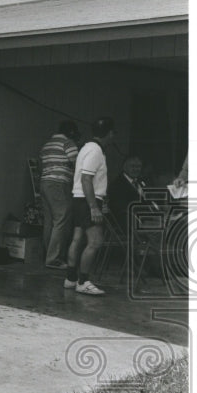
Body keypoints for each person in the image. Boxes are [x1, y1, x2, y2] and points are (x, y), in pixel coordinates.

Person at [64, 116, 116, 296]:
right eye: (113, 133)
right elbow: (87, 178)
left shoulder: (86, 148)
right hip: (88, 199)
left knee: (78, 238)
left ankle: (71, 278)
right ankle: (83, 281)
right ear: (109, 134)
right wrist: (94, 207)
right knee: (95, 241)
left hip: (79, 198)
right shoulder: (95, 151)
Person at [38, 120, 80, 269]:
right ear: (72, 132)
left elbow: (42, 164)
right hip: (58, 183)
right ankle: (53, 259)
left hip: (44, 182)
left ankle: (47, 256)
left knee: (50, 221)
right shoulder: (68, 143)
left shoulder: (47, 144)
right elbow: (77, 164)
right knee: (61, 218)